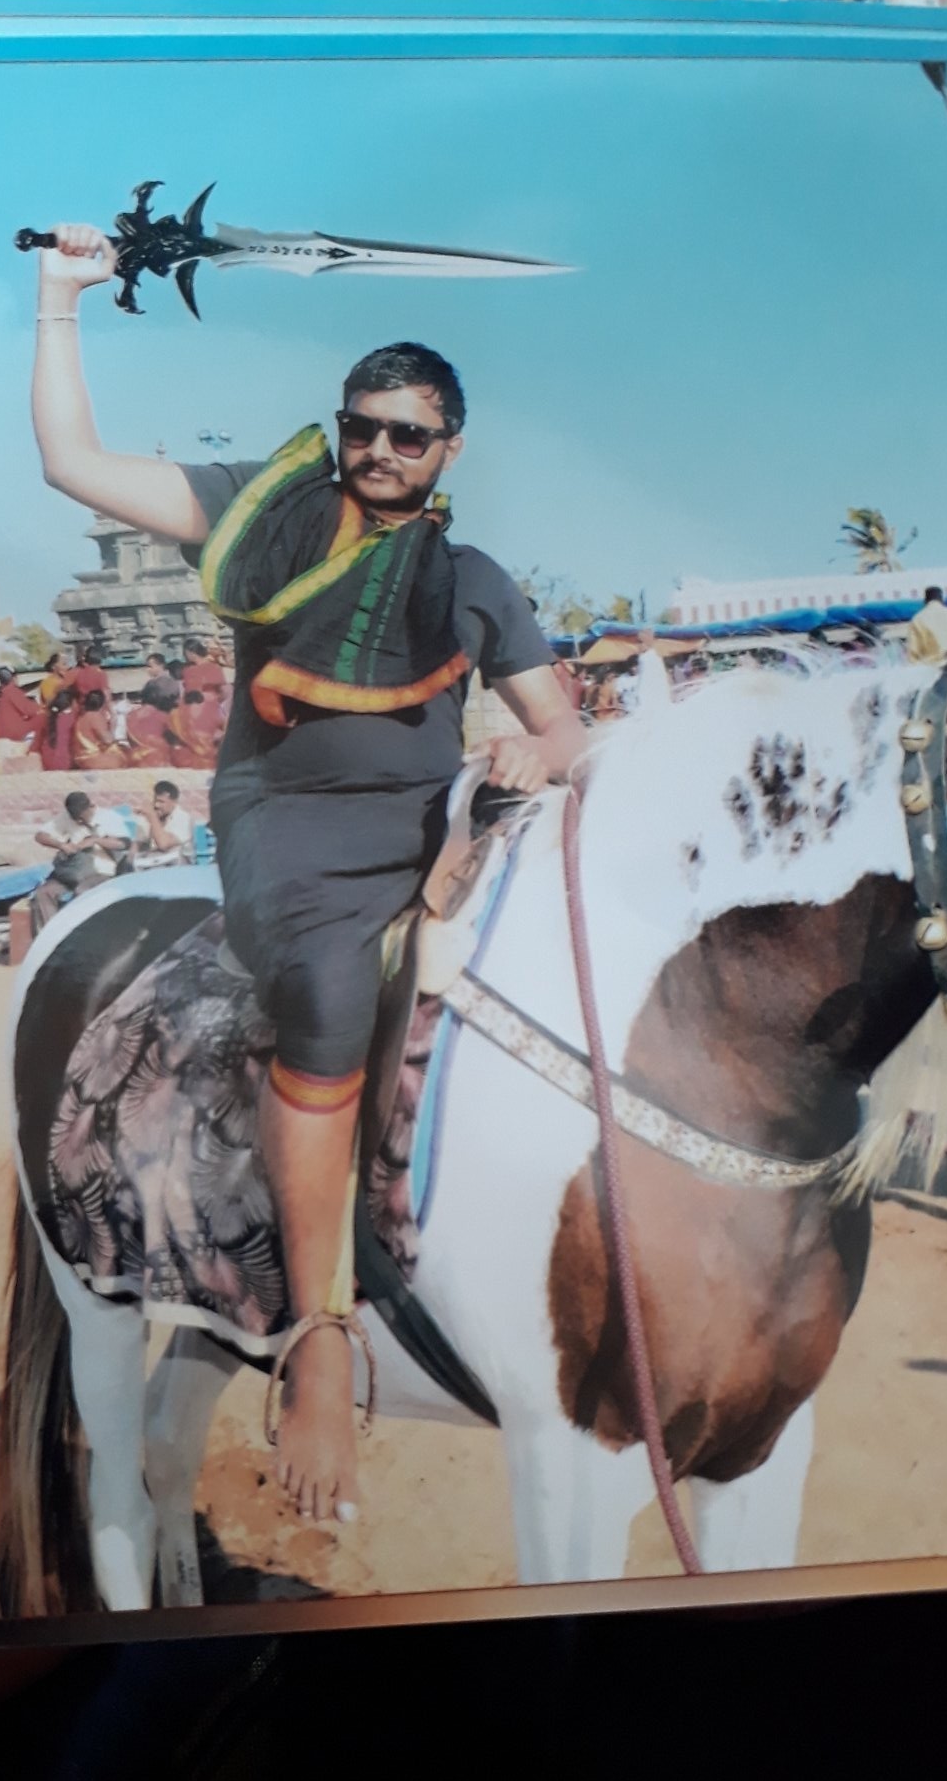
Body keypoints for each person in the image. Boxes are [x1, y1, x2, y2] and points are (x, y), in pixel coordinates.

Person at [31, 222, 583, 1524]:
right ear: (340, 428)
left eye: (410, 435)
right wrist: (59, 299)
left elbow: (563, 722)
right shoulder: (259, 511)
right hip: (286, 828)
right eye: (363, 428)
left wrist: (535, 751)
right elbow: (72, 465)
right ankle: (322, 1340)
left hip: (430, 825)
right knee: (333, 991)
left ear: (451, 448)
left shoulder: (475, 579)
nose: (382, 451)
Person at [30, 789, 133, 933]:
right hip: (72, 872)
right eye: (75, 819)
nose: (78, 822)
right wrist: (61, 845)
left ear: (90, 807)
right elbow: (40, 836)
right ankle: (52, 937)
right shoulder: (66, 817)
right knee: (44, 892)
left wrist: (96, 840)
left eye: (81, 818)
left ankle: (82, 938)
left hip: (100, 872)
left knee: (83, 892)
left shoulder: (109, 817)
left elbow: (124, 844)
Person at [135, 777, 195, 867]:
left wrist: (152, 817)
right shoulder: (152, 816)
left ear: (174, 802)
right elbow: (137, 845)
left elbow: (164, 844)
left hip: (177, 866)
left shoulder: (183, 818)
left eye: (161, 802)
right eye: (155, 801)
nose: (156, 805)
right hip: (154, 863)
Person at [0, 666, 42, 742]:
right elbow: (30, 711)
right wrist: (42, 707)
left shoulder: (1, 693)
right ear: (14, 678)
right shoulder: (12, 690)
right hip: (10, 733)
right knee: (42, 717)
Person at [30, 687, 78, 773]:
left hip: (47, 760)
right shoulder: (72, 718)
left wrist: (32, 751)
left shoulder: (46, 717)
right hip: (64, 762)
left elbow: (37, 740)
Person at [71, 688, 116, 770]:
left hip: (80, 757)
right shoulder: (95, 716)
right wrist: (113, 720)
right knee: (121, 755)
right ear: (102, 704)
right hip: (91, 758)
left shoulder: (82, 717)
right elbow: (108, 740)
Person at [181, 635, 227, 706]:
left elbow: (223, 692)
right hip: (200, 706)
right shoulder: (215, 667)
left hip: (205, 705)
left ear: (191, 653)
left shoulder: (213, 668)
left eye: (185, 653)